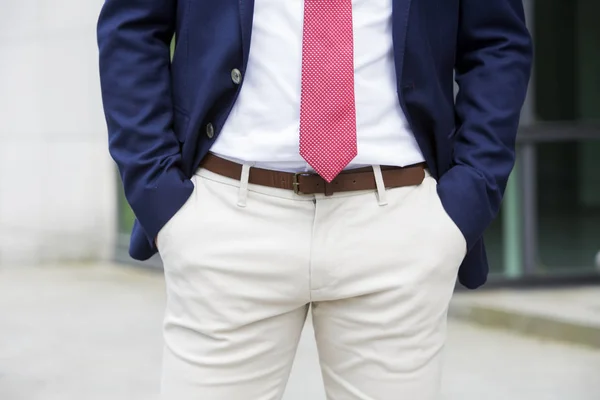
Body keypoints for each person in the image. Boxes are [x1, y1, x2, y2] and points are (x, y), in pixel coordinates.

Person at [97, 0, 532, 398]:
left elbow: (497, 43)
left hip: (397, 226)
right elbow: (132, 28)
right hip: (226, 223)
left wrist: (462, 204)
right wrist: (163, 200)